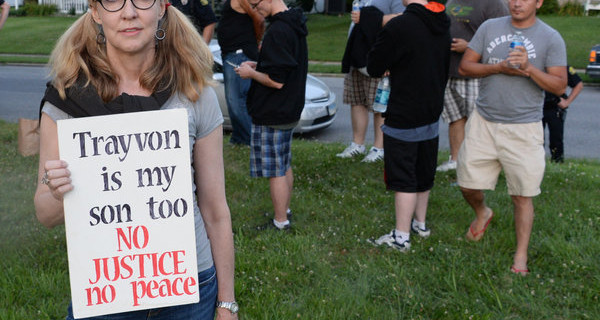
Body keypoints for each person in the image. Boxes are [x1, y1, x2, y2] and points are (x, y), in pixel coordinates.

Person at [33, 0, 238, 318]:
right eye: (113, 1)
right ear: (96, 11)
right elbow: (45, 214)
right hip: (105, 290)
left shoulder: (194, 92)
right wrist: (59, 192)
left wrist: (226, 302)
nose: (129, 12)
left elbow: (215, 209)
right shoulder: (66, 101)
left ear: (163, 7)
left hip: (190, 286)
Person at [457, 0, 567, 275]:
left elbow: (559, 85)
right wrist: (498, 68)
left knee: (522, 195)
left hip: (523, 128)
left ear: (538, 2)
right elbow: (465, 67)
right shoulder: (490, 27)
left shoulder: (551, 37)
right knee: (467, 185)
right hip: (483, 122)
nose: (517, 3)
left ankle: (520, 256)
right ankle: (483, 212)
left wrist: (528, 68)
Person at [366, 0, 451, 251]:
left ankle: (401, 237)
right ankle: (420, 224)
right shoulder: (443, 22)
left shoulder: (399, 25)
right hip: (432, 108)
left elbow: (374, 66)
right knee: (424, 171)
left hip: (404, 109)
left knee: (404, 176)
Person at [236, 0, 307, 230]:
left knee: (276, 170)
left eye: (256, 5)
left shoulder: (278, 30)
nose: (256, 11)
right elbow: (284, 65)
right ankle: (284, 210)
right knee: (284, 163)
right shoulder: (293, 23)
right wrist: (259, 65)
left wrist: (250, 74)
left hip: (275, 110)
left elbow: (276, 81)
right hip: (289, 108)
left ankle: (280, 222)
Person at [435, 0, 508, 172]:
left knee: (479, 123)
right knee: (455, 119)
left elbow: (502, 41)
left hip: (475, 75)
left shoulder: (494, 4)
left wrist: (469, 47)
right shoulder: (453, 1)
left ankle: (480, 165)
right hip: (449, 71)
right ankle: (455, 161)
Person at [338, 0, 405, 163]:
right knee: (357, 101)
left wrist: (367, 18)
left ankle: (378, 148)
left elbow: (402, 20)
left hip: (378, 58)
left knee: (379, 106)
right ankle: (357, 144)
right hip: (357, 56)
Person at [217, 0, 265, 145]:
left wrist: (257, 40)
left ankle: (252, 141)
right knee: (235, 101)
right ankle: (239, 138)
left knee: (236, 100)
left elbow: (259, 19)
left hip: (239, 54)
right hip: (232, 53)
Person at [542, 65, 583, 163]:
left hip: (555, 107)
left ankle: (558, 164)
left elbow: (579, 84)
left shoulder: (561, 67)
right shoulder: (537, 65)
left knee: (556, 141)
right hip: (536, 108)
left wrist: (567, 102)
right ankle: (537, 166)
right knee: (537, 140)